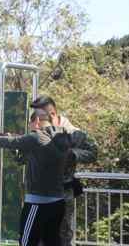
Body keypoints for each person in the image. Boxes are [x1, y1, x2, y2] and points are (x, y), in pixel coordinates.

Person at [0, 109, 72, 246]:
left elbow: (14, 141)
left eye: (30, 124)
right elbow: (26, 156)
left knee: (27, 240)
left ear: (37, 121)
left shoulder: (36, 137)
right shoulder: (60, 139)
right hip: (57, 201)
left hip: (38, 201)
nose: (29, 127)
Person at [30, 96, 98, 246]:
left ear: (53, 114)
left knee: (63, 235)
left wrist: (72, 154)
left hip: (62, 194)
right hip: (39, 193)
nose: (38, 121)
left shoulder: (74, 134)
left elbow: (93, 152)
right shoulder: (40, 131)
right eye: (36, 117)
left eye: (41, 117)